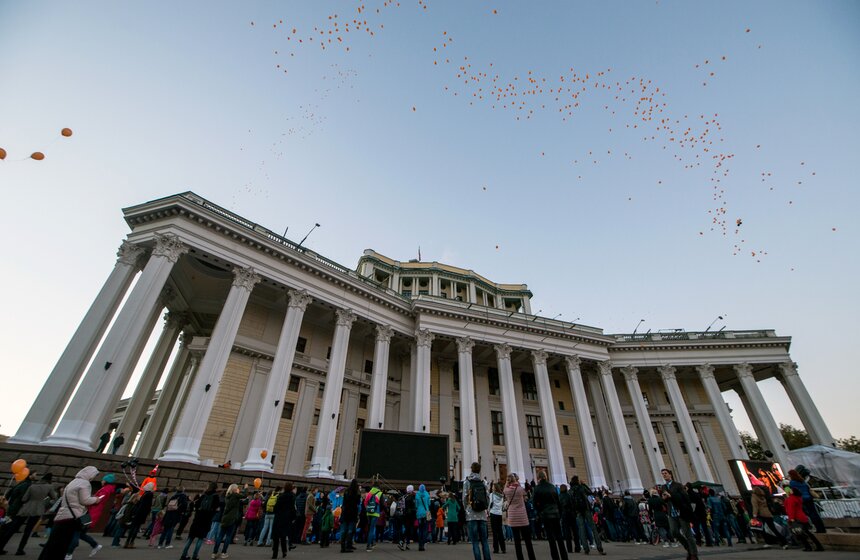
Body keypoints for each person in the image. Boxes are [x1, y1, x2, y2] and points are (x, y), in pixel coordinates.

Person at [38, 467, 104, 560]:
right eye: (94, 475)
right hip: (72, 517)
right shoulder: (85, 483)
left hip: (62, 515)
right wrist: (96, 499)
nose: (93, 478)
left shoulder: (73, 482)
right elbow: (85, 500)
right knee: (62, 545)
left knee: (52, 544)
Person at [660, 469, 698, 560]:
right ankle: (689, 548)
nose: (664, 475)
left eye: (665, 473)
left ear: (670, 475)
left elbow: (685, 498)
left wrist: (671, 496)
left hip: (681, 512)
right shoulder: (664, 487)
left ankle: (693, 555)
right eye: (662, 474)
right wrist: (664, 498)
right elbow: (663, 501)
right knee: (674, 532)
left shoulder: (678, 485)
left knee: (687, 533)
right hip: (671, 513)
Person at [532, 470, 567, 560]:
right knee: (559, 537)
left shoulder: (537, 488)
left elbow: (535, 503)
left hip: (545, 515)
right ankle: (564, 557)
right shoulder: (552, 487)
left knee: (551, 539)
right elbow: (558, 501)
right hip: (555, 514)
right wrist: (559, 512)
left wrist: (540, 512)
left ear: (538, 478)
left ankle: (555, 558)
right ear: (546, 477)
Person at [179, 482, 218, 560]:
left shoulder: (203, 495)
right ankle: (195, 555)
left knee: (190, 538)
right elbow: (215, 508)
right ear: (215, 488)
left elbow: (196, 505)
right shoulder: (216, 496)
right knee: (200, 539)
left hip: (198, 518)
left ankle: (184, 554)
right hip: (206, 520)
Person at [0, 470, 35, 555]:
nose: (35, 476)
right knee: (9, 529)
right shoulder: (27, 485)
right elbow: (24, 498)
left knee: (5, 528)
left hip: (11, 509)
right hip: (17, 511)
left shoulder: (20, 483)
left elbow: (9, 493)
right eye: (35, 474)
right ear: (29, 475)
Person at [569, 476, 604, 555]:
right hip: (586, 509)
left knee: (581, 530)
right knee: (593, 528)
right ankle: (599, 547)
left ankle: (586, 549)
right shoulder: (581, 487)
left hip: (578, 512)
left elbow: (571, 502)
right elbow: (590, 492)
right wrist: (584, 484)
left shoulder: (570, 491)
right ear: (577, 481)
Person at [504, 473, 535, 560]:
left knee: (517, 542)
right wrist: (517, 481)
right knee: (528, 541)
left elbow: (504, 490)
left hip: (513, 517)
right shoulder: (520, 489)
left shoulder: (507, 490)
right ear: (516, 480)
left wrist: (507, 482)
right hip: (522, 517)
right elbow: (525, 495)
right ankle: (532, 558)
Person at [785, 487, 824, 551]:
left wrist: (791, 518)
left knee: (800, 533)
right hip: (802, 517)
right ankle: (818, 545)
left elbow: (790, 509)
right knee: (808, 532)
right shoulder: (798, 498)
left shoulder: (790, 499)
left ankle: (808, 547)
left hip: (796, 518)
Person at [788, 469, 826, 534]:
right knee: (815, 513)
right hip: (809, 498)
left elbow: (793, 491)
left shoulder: (792, 482)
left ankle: (814, 528)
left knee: (808, 514)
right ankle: (822, 528)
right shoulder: (802, 481)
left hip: (802, 499)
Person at [212, 484, 242, 558]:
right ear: (234, 489)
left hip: (224, 517)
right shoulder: (235, 496)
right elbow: (244, 495)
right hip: (231, 519)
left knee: (220, 536)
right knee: (228, 536)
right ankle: (223, 553)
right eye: (237, 488)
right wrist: (246, 488)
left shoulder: (227, 496)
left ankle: (214, 552)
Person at [125, 482, 154, 548]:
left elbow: (140, 504)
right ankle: (131, 543)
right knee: (136, 528)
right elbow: (147, 506)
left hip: (137, 512)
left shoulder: (144, 494)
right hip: (141, 514)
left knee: (133, 528)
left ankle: (127, 542)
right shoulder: (150, 494)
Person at [271, 483, 295, 559]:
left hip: (278, 518)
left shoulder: (280, 496)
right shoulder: (292, 497)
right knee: (283, 536)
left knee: (276, 537)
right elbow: (293, 509)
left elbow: (276, 507)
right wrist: (293, 518)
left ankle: (275, 554)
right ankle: (284, 551)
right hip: (286, 519)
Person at [340, 480, 359, 553]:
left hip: (345, 513)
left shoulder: (346, 492)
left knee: (344, 530)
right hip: (352, 513)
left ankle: (343, 546)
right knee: (350, 530)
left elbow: (344, 502)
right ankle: (348, 545)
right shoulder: (356, 494)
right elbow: (357, 503)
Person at [363, 484, 383, 551]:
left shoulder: (369, 493)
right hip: (375, 513)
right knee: (372, 529)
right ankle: (369, 545)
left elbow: (365, 502)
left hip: (368, 513)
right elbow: (382, 504)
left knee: (369, 529)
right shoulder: (380, 493)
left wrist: (368, 509)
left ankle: (371, 542)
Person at [397, 485, 417, 551]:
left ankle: (407, 543)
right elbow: (414, 507)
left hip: (404, 515)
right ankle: (402, 542)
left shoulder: (404, 496)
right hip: (410, 516)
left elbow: (400, 506)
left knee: (407, 529)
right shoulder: (412, 497)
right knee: (408, 530)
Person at [489, 483, 506, 554]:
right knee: (500, 531)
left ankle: (496, 549)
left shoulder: (492, 495)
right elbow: (502, 505)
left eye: (493, 486)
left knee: (495, 532)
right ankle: (503, 548)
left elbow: (490, 504)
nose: (492, 487)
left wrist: (488, 511)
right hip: (499, 514)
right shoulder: (501, 496)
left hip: (493, 513)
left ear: (495, 488)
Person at [415, 484, 431, 551]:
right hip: (425, 513)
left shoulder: (417, 494)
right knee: (425, 530)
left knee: (420, 529)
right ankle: (423, 545)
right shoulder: (427, 494)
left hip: (419, 514)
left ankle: (420, 545)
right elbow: (429, 503)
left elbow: (416, 504)